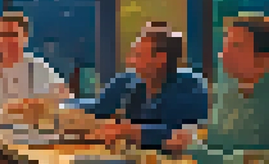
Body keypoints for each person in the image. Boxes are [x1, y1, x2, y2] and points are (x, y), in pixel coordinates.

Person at [66, 22, 208, 149]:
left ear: (160, 59)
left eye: (138, 55)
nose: (130, 61)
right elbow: (99, 106)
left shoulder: (190, 87)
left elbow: (181, 135)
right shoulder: (128, 81)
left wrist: (128, 131)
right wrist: (62, 104)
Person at [164, 13, 269, 164]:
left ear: (264, 59)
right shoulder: (228, 84)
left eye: (236, 47)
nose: (223, 55)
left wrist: (195, 148)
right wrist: (194, 136)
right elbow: (221, 141)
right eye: (224, 46)